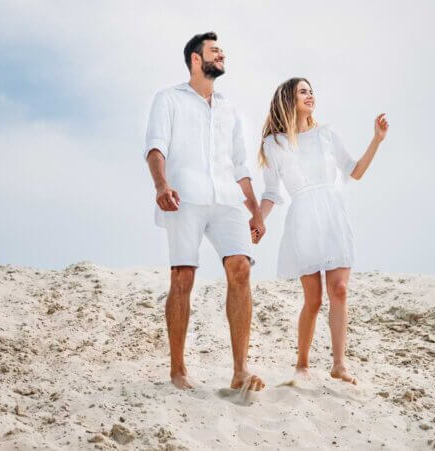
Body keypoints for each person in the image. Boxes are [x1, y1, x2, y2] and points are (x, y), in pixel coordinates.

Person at [144, 32, 265, 391]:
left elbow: (240, 165)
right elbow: (155, 147)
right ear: (196, 59)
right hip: (185, 196)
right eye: (215, 51)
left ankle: (240, 370)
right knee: (183, 278)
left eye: (222, 50)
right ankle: (178, 370)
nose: (222, 54)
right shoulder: (168, 99)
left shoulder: (229, 108)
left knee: (240, 268)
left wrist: (255, 211)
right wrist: (161, 185)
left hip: (227, 198)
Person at [255, 77, 388, 384]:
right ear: (289, 98)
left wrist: (377, 140)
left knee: (339, 290)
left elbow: (355, 170)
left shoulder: (326, 134)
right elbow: (272, 192)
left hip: (333, 214)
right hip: (303, 217)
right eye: (303, 91)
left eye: (311, 91)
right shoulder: (273, 144)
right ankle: (302, 365)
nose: (310, 96)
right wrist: (259, 220)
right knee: (313, 299)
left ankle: (339, 364)